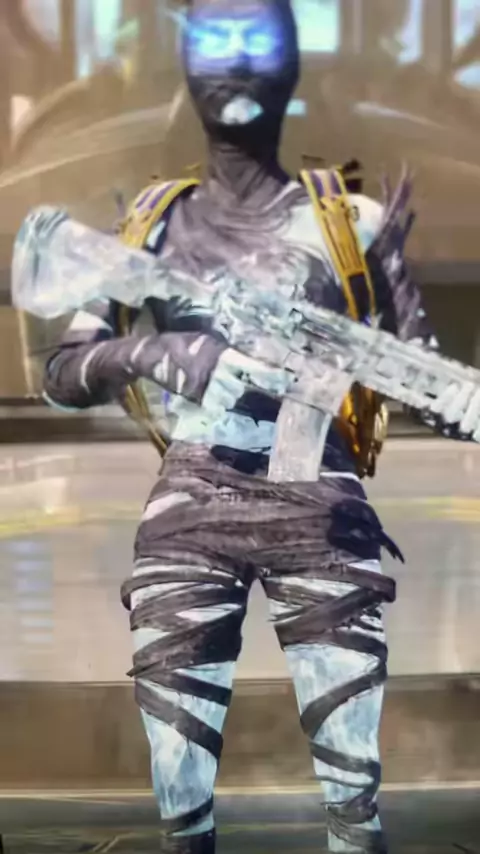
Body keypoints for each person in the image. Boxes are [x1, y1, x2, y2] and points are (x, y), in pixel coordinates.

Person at [41, 1, 477, 852]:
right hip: (192, 504)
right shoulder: (151, 226)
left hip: (321, 501)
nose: (236, 61)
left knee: (352, 785)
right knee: (180, 791)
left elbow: (426, 378)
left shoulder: (351, 224)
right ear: (186, 61)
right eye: (215, 38)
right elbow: (65, 369)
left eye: (257, 39)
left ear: (290, 60)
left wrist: (442, 390)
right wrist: (163, 351)